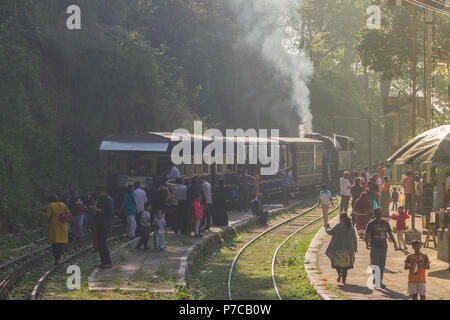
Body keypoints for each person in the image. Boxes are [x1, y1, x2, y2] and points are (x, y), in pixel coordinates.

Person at [365, 208, 398, 287]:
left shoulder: (385, 223)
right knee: (375, 264)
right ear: (375, 214)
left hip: (383, 247)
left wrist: (395, 243)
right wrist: (367, 243)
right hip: (374, 246)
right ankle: (377, 281)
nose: (380, 213)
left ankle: (379, 280)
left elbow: (390, 233)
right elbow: (367, 235)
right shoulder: (371, 223)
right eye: (378, 212)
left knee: (382, 264)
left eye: (380, 212)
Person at [325, 213, 357, 284]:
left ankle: (339, 273)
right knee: (345, 265)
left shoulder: (339, 225)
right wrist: (355, 247)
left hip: (338, 248)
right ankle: (344, 280)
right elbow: (354, 238)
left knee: (337, 263)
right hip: (348, 249)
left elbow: (330, 232)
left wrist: (327, 227)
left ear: (341, 218)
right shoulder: (351, 226)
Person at [41, 195, 70, 265]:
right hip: (63, 226)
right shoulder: (63, 204)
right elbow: (68, 213)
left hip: (54, 227)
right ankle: (59, 258)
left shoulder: (50, 205)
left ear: (50, 200)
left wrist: (41, 214)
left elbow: (48, 216)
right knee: (61, 244)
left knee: (55, 244)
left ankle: (56, 259)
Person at [94, 186, 114, 268]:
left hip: (105, 223)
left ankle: (108, 262)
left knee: (103, 242)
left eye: (99, 193)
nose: (98, 195)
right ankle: (103, 261)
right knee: (100, 243)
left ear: (103, 191)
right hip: (99, 222)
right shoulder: (101, 199)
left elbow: (109, 212)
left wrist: (98, 210)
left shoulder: (108, 200)